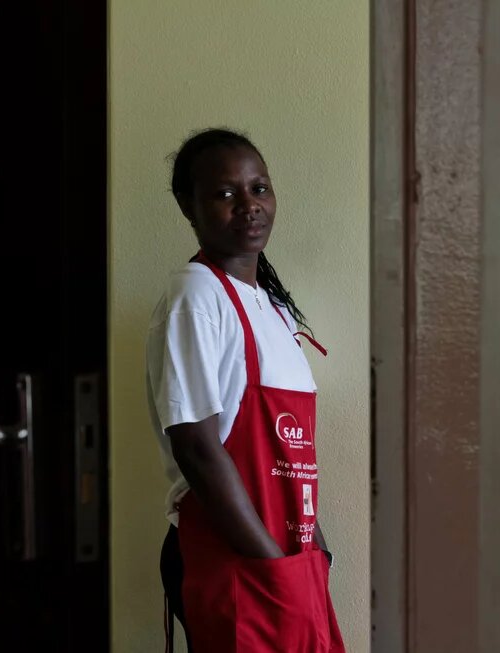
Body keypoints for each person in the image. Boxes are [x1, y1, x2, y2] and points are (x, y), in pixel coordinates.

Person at [146, 128, 345, 652]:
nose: (249, 205)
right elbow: (198, 446)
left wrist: (314, 555)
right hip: (237, 555)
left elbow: (288, 454)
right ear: (188, 206)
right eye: (225, 193)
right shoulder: (196, 295)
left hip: (289, 556)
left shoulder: (274, 309)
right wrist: (271, 565)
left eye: (259, 188)